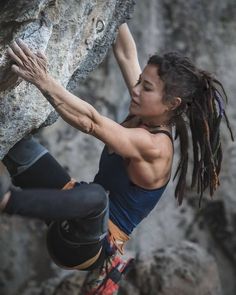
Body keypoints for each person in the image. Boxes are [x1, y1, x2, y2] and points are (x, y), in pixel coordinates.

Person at [0, 23, 233, 294]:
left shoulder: (156, 147)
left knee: (96, 196)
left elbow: (91, 123)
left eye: (146, 87)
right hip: (68, 207)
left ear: (172, 104)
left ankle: (6, 200)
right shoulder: (144, 109)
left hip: (85, 247)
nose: (135, 89)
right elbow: (124, 52)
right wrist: (116, 13)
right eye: (139, 81)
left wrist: (42, 79)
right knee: (13, 137)